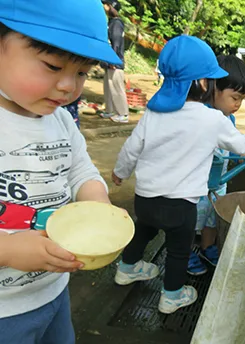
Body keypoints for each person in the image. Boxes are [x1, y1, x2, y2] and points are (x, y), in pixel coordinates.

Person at [111, 36, 245, 314]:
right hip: (180, 205)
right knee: (178, 250)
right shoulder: (211, 119)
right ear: (201, 83)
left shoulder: (153, 112)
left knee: (143, 231)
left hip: (146, 198)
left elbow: (131, 148)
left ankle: (127, 268)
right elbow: (239, 144)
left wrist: (119, 172)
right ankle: (171, 295)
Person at [0, 0, 122, 343]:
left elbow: (80, 169)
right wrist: (7, 251)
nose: (69, 86)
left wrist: (97, 201)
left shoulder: (60, 121)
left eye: (82, 72)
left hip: (52, 290)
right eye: (53, 66)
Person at [187, 55, 245, 275]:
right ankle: (187, 251)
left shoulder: (229, 119)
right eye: (234, 97)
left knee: (212, 216)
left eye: (242, 99)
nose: (237, 104)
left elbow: (230, 148)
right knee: (191, 220)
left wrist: (242, 156)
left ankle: (208, 247)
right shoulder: (201, 116)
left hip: (219, 182)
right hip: (197, 184)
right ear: (213, 87)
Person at [99, 0, 129, 124]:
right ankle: (110, 110)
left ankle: (123, 114)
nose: (104, 7)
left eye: (106, 5)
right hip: (109, 61)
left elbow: (116, 43)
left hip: (115, 62)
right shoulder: (112, 22)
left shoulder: (116, 23)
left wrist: (112, 59)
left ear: (111, 7)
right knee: (108, 87)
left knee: (117, 88)